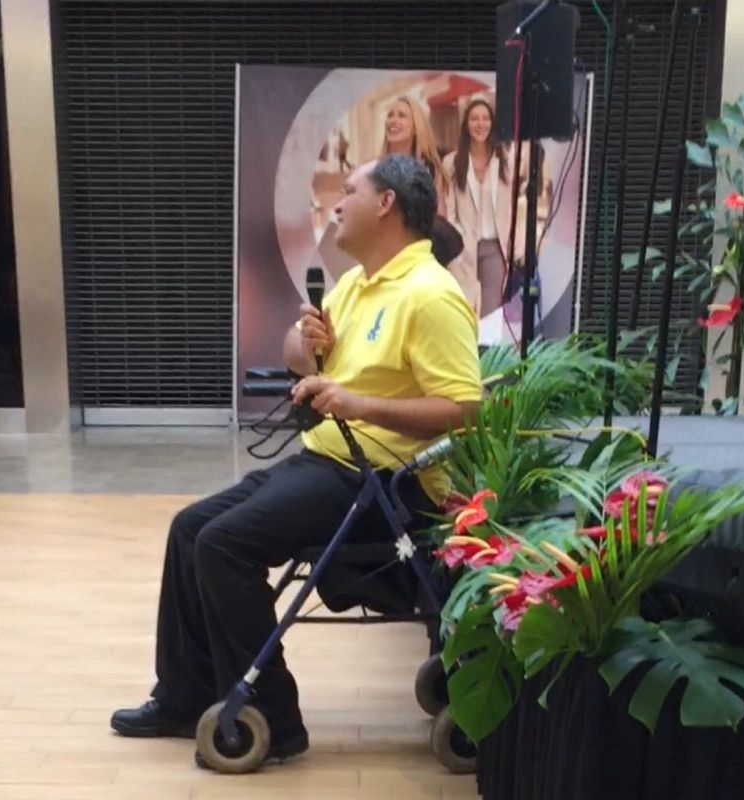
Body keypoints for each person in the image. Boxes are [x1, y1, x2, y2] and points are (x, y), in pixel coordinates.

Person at [109, 154, 482, 769]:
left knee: (224, 545)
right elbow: (296, 360)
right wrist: (306, 346)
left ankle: (272, 720)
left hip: (387, 484)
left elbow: (464, 409)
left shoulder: (430, 294)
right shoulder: (358, 282)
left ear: (386, 204)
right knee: (190, 528)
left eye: (350, 191)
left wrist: (356, 400)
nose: (337, 203)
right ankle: (183, 696)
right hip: (327, 461)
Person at [443, 98, 525, 324]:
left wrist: (513, 244)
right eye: (474, 119)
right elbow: (450, 211)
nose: (480, 124)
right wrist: (457, 241)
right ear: (466, 125)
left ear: (493, 123)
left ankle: (486, 358)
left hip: (494, 248)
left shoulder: (505, 160)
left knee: (489, 315)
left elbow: (510, 206)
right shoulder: (452, 162)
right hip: (463, 248)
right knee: (463, 312)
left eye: (485, 118)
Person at [381, 95, 449, 217]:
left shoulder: (431, 170)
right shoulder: (374, 170)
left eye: (401, 116)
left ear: (415, 127)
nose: (393, 120)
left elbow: (440, 219)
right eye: (390, 115)